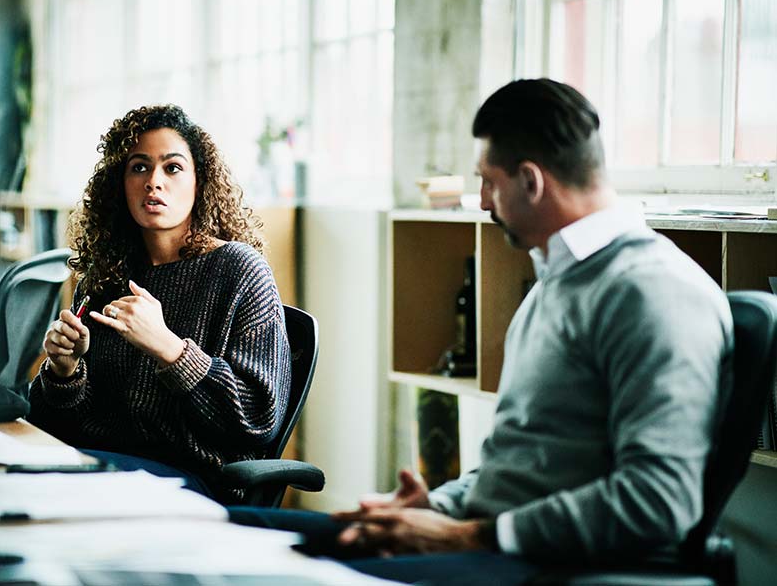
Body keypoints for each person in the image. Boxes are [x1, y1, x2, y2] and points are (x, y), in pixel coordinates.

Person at [229, 79, 733, 585]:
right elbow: (518, 463)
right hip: (484, 539)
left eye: (488, 182)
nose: (483, 202)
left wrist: (462, 535)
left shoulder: (652, 292)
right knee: (232, 530)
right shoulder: (556, 278)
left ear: (531, 182)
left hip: (540, 564)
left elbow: (659, 500)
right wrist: (434, 505)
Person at [27, 104, 292, 501]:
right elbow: (56, 427)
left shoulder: (239, 271)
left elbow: (257, 419)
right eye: (139, 167)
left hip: (191, 482)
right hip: (102, 469)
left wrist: (167, 347)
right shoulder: (106, 277)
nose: (154, 182)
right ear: (120, 183)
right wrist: (65, 373)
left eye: (172, 168)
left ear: (199, 182)